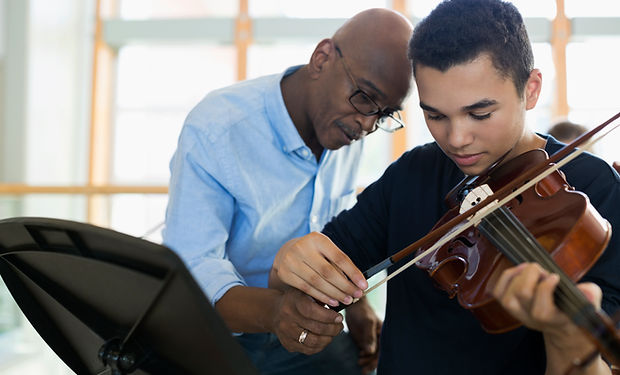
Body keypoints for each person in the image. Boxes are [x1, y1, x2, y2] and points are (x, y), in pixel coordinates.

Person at [270, 1, 620, 374]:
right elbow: (309, 276)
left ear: (531, 90)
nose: (456, 139)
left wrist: (563, 335)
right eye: (434, 115)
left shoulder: (592, 190)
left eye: (480, 114)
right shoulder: (411, 173)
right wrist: (290, 265)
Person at [163, 8, 414, 375]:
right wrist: (277, 313)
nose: (367, 124)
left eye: (384, 114)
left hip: (301, 323)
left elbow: (335, 233)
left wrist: (357, 308)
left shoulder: (348, 126)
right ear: (322, 58)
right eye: (364, 98)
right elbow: (194, 270)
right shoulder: (218, 127)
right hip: (218, 330)